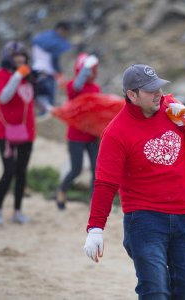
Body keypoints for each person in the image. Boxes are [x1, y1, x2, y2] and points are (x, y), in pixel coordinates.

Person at [83, 64, 185, 299]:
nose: (158, 94)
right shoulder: (116, 132)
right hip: (145, 220)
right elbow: (105, 183)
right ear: (132, 95)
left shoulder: (172, 109)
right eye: (150, 90)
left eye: (159, 87)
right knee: (155, 290)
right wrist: (95, 228)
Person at [0, 41, 36, 225]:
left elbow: (34, 98)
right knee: (8, 171)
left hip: (27, 131)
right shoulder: (2, 75)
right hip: (6, 132)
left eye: (22, 55)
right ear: (7, 57)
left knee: (21, 172)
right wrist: (17, 76)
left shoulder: (28, 76)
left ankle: (17, 212)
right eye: (15, 55)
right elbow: (3, 97)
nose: (20, 58)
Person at [56, 53, 100, 210]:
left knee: (97, 170)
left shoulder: (95, 88)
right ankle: (61, 191)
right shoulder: (72, 87)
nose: (91, 73)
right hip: (75, 136)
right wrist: (86, 67)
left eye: (92, 69)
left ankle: (93, 202)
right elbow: (76, 87)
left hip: (92, 136)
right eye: (88, 70)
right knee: (76, 169)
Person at [31, 21, 72, 114]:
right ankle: (46, 123)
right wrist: (60, 73)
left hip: (36, 72)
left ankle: (41, 123)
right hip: (47, 74)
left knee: (41, 102)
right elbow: (54, 60)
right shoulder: (55, 42)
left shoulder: (42, 37)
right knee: (48, 104)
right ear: (61, 30)